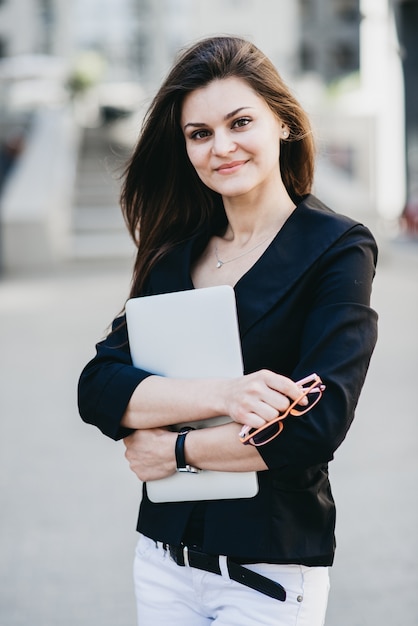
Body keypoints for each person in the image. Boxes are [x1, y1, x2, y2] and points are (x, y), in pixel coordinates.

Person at [78, 35, 378, 626]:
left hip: (266, 574)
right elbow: (99, 387)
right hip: (163, 562)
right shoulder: (174, 255)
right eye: (200, 133)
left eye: (241, 122)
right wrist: (225, 395)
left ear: (284, 123)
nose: (223, 147)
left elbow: (313, 427)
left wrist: (176, 449)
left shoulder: (337, 249)